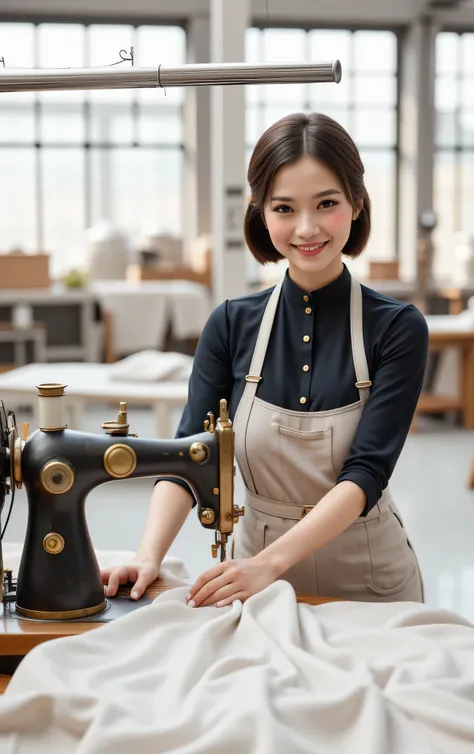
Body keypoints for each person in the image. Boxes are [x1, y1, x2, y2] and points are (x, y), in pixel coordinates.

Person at [102, 112, 428, 609]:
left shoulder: (397, 328)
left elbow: (365, 474)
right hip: (256, 583)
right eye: (284, 208)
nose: (306, 228)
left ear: (357, 204)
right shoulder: (230, 325)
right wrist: (149, 556)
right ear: (260, 211)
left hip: (370, 583)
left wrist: (266, 565)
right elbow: (190, 455)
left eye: (327, 203)